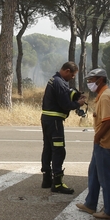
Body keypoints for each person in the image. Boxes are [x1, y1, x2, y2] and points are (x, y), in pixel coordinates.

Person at [76, 68, 110, 220]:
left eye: (91, 80)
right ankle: (90, 204)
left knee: (105, 177)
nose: (89, 83)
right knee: (94, 173)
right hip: (106, 142)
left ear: (100, 80)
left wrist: (98, 137)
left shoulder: (105, 97)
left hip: (104, 143)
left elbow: (109, 119)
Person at [40, 61, 87, 194]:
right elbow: (65, 104)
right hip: (55, 120)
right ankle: (58, 183)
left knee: (48, 148)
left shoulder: (54, 80)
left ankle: (47, 178)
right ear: (67, 71)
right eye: (72, 74)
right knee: (58, 150)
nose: (72, 77)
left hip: (47, 119)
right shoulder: (59, 82)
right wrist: (78, 103)